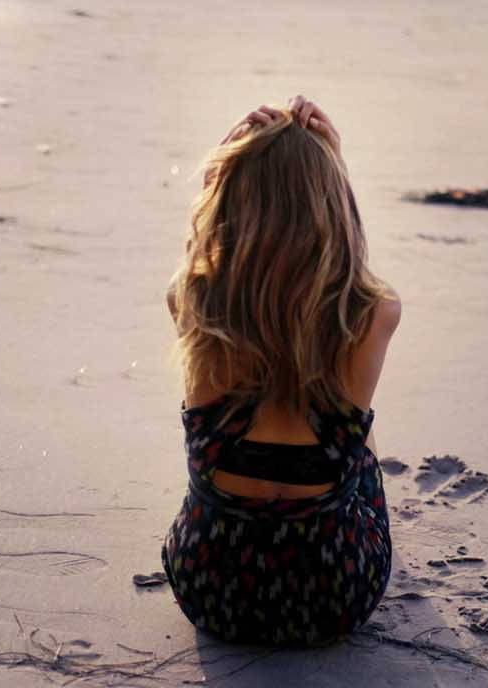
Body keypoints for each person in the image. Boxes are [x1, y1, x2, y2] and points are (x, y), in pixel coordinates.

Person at [160, 95, 402, 646]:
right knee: (356, 441)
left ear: (225, 203)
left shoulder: (192, 302)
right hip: (334, 595)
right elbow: (350, 275)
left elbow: (198, 263)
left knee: (220, 458)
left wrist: (224, 170)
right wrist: (330, 167)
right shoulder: (374, 316)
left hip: (211, 589)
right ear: (334, 206)